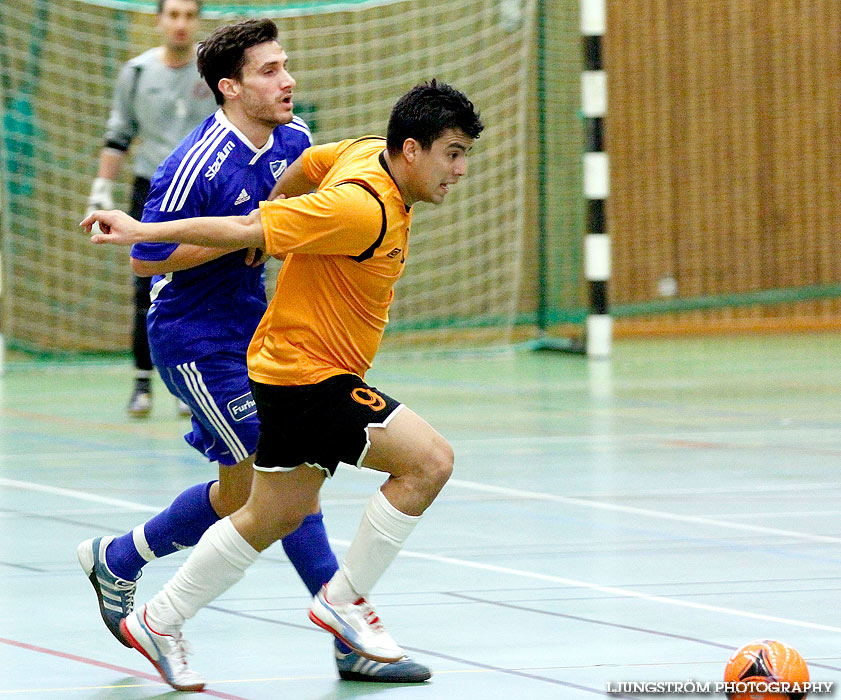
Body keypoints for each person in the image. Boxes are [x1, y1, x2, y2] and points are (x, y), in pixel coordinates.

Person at [83, 77, 483, 692]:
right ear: (411, 149)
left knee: (269, 513)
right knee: (430, 462)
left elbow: (305, 163)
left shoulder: (362, 149)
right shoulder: (356, 207)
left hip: (285, 368)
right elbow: (244, 229)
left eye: (464, 155)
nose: (459, 170)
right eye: (451, 153)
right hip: (307, 377)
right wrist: (141, 232)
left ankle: (159, 620)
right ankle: (345, 602)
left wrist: (280, 207)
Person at [86, 0, 215, 417]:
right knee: (147, 287)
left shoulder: (214, 70)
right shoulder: (137, 72)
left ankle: (189, 384)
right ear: (159, 20)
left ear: (198, 21)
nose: (180, 24)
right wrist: (102, 187)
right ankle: (143, 381)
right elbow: (119, 133)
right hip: (153, 190)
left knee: (203, 280)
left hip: (203, 190)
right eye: (173, 14)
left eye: (189, 15)